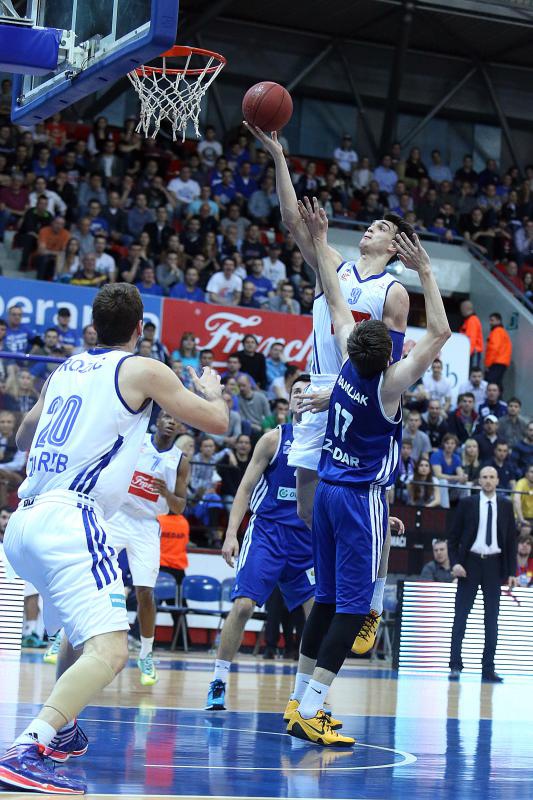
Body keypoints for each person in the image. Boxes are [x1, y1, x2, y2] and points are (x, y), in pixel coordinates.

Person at [0, 283, 228, 793]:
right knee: (112, 651)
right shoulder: (142, 368)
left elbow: (21, 437)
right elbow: (217, 421)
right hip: (71, 518)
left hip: (23, 520)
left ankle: (59, 732)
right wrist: (211, 389)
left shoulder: (65, 369)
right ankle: (28, 747)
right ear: (139, 328)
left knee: (79, 637)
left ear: (93, 327)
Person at [284, 197, 449, 746]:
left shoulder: (340, 367)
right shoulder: (389, 387)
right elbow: (440, 336)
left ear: (352, 343)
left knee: (325, 601)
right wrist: (425, 270)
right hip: (360, 499)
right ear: (391, 350)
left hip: (327, 492)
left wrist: (322, 234)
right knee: (353, 612)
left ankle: (295, 702)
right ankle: (311, 708)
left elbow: (334, 297)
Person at [245, 126, 410, 655]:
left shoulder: (394, 291)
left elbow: (388, 364)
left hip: (361, 398)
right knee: (308, 509)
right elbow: (294, 220)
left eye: (382, 226)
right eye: (371, 222)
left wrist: (340, 394)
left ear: (394, 247)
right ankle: (342, 592)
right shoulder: (333, 270)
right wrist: (279, 157)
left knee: (366, 501)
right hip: (317, 391)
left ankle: (370, 600)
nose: (372, 227)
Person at [205, 375, 317, 711]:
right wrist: (230, 534)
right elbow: (244, 488)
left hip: (306, 540)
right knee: (242, 607)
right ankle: (219, 681)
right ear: (288, 401)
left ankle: (303, 697)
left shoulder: (327, 443)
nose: (300, 396)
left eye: (307, 392)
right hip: (268, 533)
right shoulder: (273, 439)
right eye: (296, 392)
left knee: (318, 619)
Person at [105, 411, 189, 686]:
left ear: (180, 427)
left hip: (146, 526)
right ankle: (61, 635)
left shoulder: (180, 461)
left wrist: (166, 494)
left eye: (174, 419)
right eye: (166, 416)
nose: (170, 420)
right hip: (118, 515)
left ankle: (146, 653)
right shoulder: (136, 440)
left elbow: (179, 508)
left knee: (145, 593)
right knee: (86, 568)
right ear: (157, 421)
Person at [448, 467, 517, 683]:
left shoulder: (506, 505)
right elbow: (452, 537)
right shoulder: (468, 503)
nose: (488, 481)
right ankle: (455, 666)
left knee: (492, 619)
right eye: (484, 477)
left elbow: (512, 541)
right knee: (461, 616)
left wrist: (512, 572)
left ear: (498, 480)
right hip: (470, 563)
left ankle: (488, 668)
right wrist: (456, 563)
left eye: (492, 477)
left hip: (494, 566)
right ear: (479, 480)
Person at [484, 312, 512, 389]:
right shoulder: (502, 332)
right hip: (502, 362)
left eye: (492, 320)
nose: (490, 322)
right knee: (497, 384)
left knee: (491, 384)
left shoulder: (497, 332)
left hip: (496, 362)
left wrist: (488, 364)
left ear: (498, 320)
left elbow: (493, 349)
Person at [459, 300, 483, 370]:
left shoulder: (472, 320)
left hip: (473, 353)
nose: (461, 311)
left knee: (472, 374)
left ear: (465, 308)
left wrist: (467, 355)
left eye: (461, 308)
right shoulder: (470, 320)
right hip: (472, 352)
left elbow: (471, 339)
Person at [514, 464, 533, 535]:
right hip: (520, 516)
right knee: (526, 529)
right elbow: (516, 500)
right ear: (526, 474)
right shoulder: (521, 483)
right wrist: (521, 519)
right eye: (532, 472)